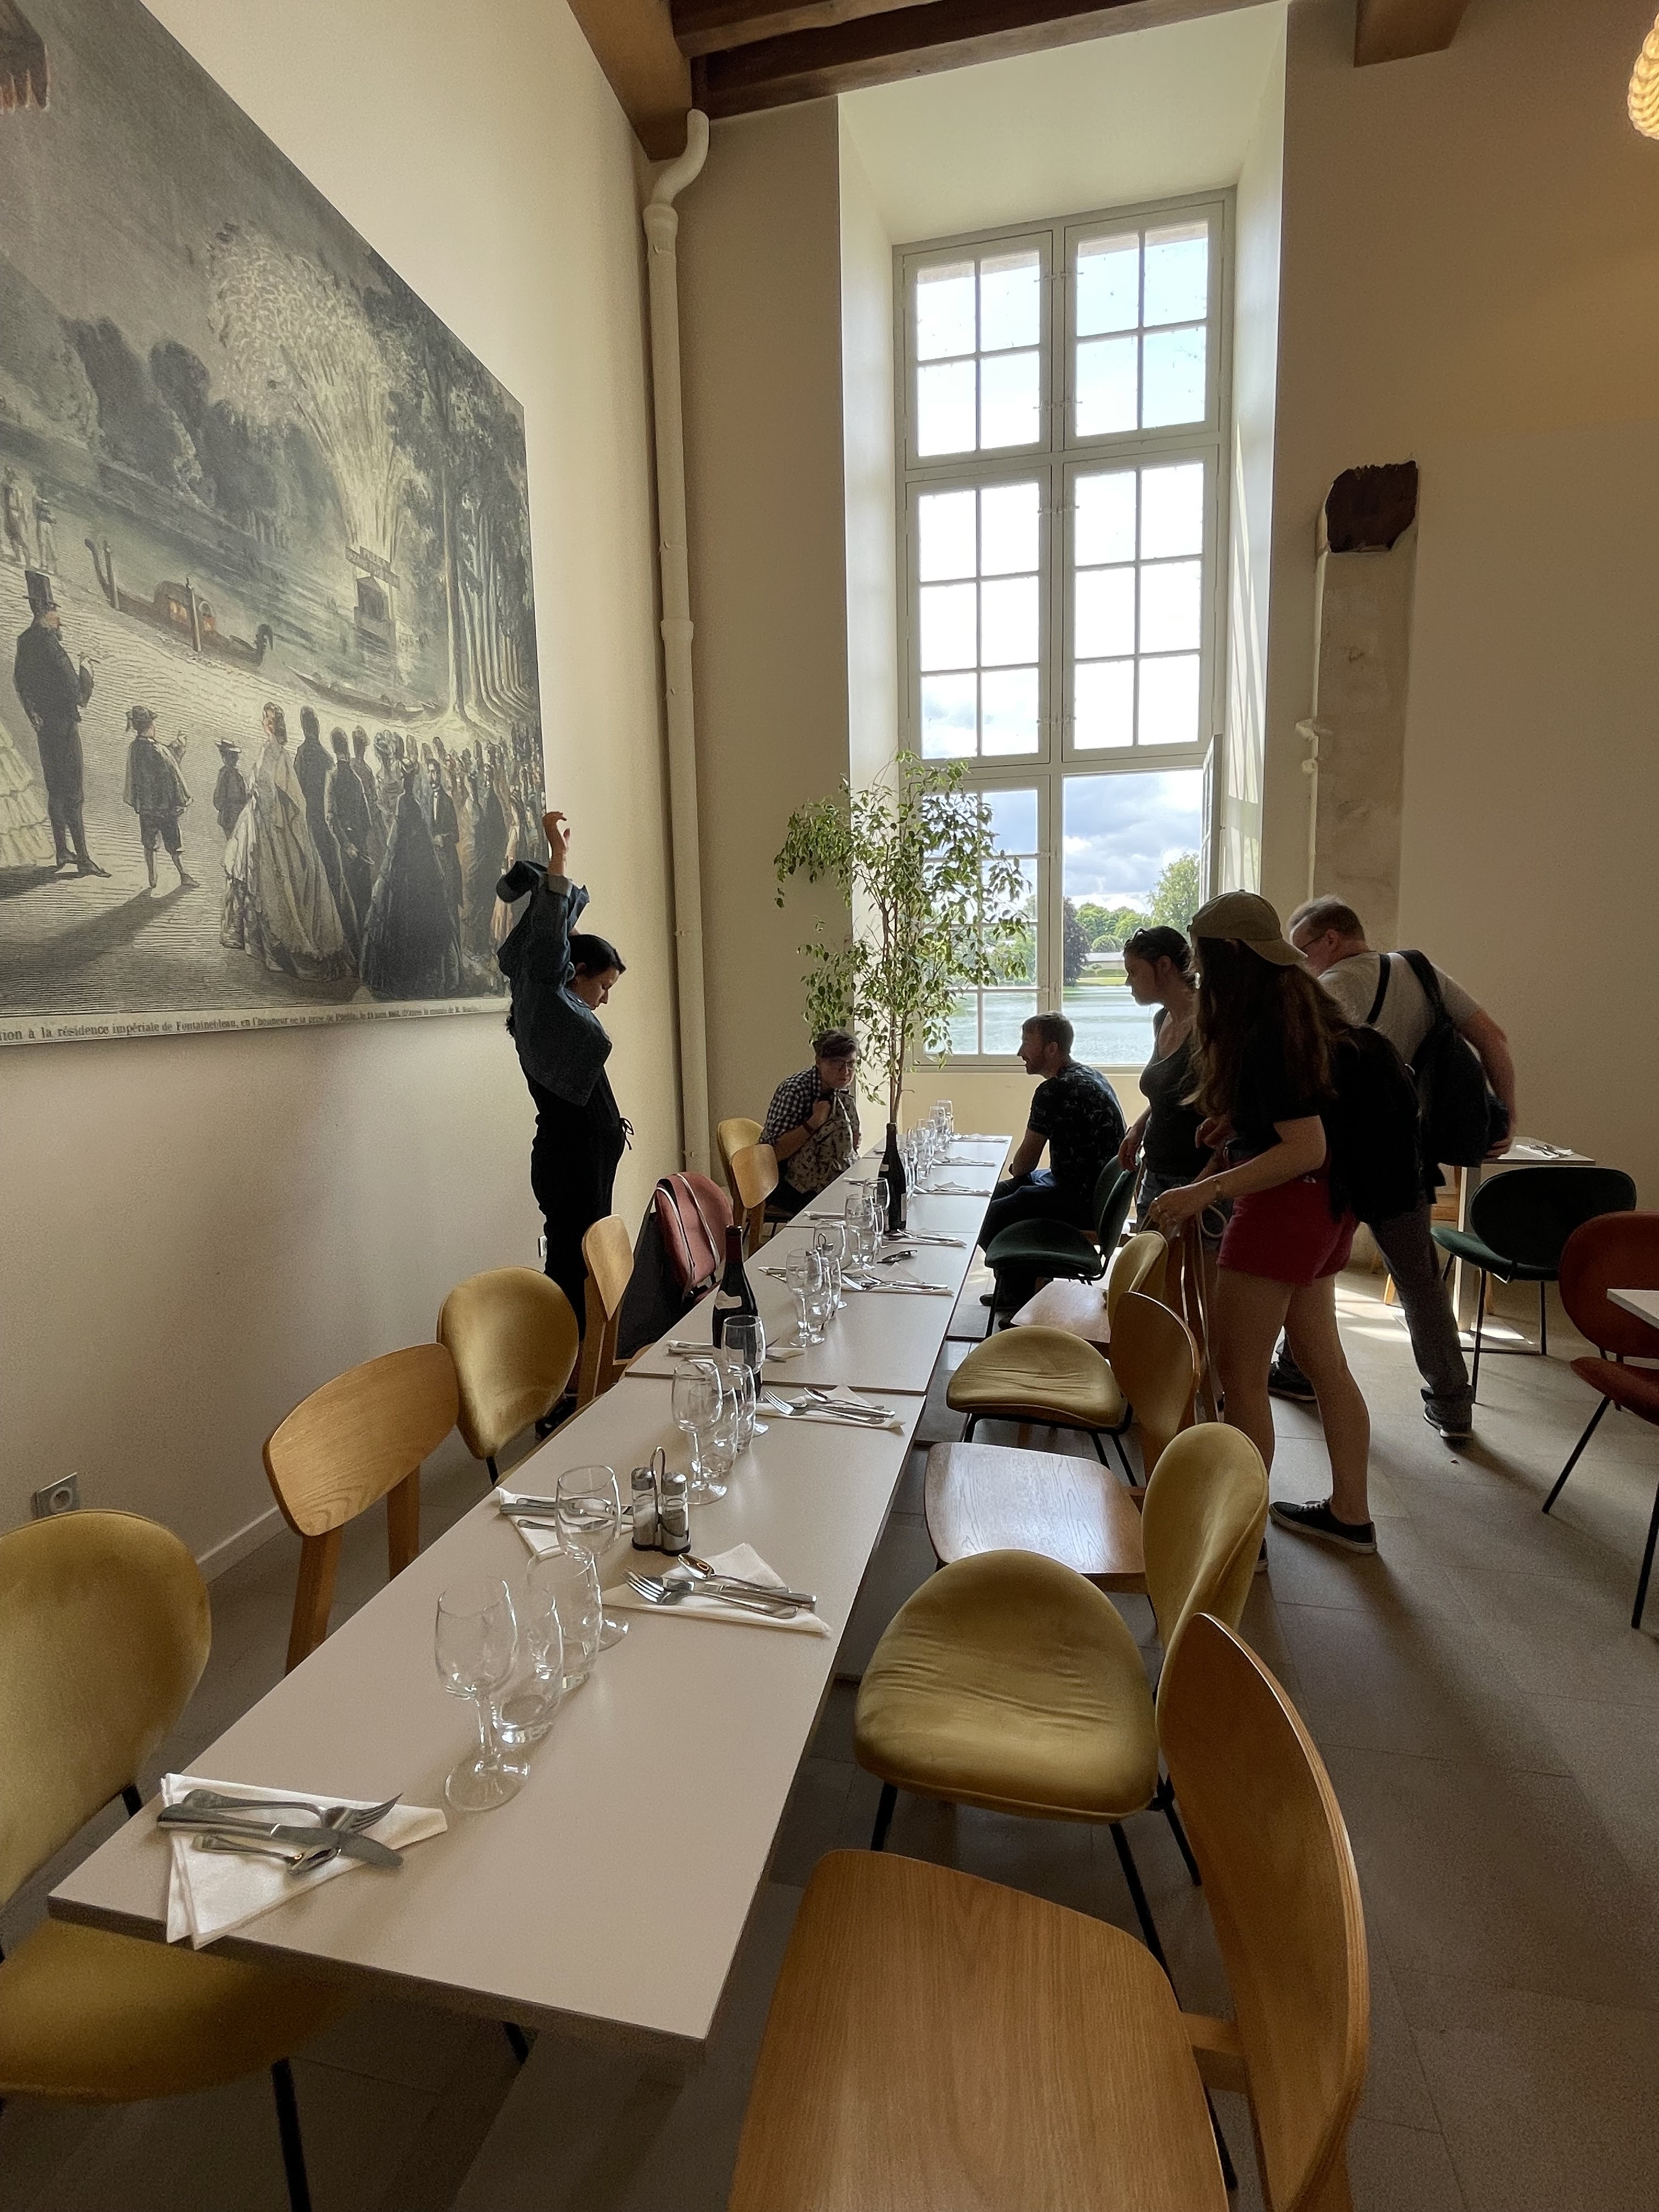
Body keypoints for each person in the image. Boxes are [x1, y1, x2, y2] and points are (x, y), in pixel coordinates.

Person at [1144, 893, 1376, 1556]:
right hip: (1328, 1207)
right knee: (1324, 1363)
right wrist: (1238, 1125)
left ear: (1230, 954)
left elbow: (1304, 1146)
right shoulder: (1297, 1004)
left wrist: (1204, 1190)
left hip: (1283, 1209)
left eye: (1204, 956)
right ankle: (1351, 1515)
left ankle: (1239, 1536)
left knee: (1238, 1375)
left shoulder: (1263, 1030)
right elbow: (1302, 1115)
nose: (1198, 971)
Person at [1280, 895, 1517, 1444]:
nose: (1303, 963)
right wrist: (1506, 1114)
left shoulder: (1332, 987)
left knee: (1309, 1269)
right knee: (1419, 1282)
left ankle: (1297, 1371)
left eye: (1303, 950)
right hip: (1401, 1154)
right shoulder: (1421, 971)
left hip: (1335, 1155)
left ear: (1330, 939)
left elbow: (1302, 1070)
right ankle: (1452, 1404)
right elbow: (1494, 1038)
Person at [496, 809, 630, 1330]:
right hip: (569, 1165)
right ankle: (570, 1367)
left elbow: (561, 934)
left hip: (584, 1162)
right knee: (574, 1271)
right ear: (577, 974)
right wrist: (559, 858)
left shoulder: (558, 1004)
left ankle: (588, 1360)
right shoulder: (543, 997)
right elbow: (552, 943)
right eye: (604, 987)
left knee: (589, 1269)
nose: (605, 1000)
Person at [978, 1013, 1126, 1309]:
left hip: (1082, 1200)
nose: (1020, 1052)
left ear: (1052, 1048)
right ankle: (1018, 1285)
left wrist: (1018, 1171)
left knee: (988, 1215)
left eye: (1026, 1043)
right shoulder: (1089, 1074)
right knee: (997, 1195)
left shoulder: (1054, 1091)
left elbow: (1024, 1165)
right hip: (1094, 1190)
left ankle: (1022, 1293)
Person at [221, 703, 350, 980]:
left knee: (271, 883)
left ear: (272, 724)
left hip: (270, 824)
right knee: (265, 883)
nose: (267, 723)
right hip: (266, 823)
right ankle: (262, 947)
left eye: (269, 720)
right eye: (267, 719)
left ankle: (268, 950)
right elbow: (281, 792)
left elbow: (275, 790)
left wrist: (266, 803)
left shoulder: (274, 751)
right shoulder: (278, 751)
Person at [1116, 925, 1224, 1248]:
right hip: (1157, 1172)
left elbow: (1227, 1112)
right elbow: (1171, 1092)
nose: (1128, 982)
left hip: (1197, 1178)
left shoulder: (1211, 1024)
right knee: (1149, 1270)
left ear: (1164, 966)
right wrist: (1138, 1127)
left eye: (1134, 971)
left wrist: (1201, 1187)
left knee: (1199, 1276)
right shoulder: (1161, 1019)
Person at [12, 569, 105, 876]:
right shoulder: (52, 647)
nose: (59, 619)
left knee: (55, 790)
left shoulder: (25, 641)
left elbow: (20, 683)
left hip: (44, 727)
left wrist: (33, 715)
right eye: (54, 611)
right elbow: (78, 695)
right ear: (44, 611)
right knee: (74, 795)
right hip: (63, 727)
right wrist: (86, 668)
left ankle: (63, 851)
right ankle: (84, 860)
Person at [358, 766, 462, 1000]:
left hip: (406, 867)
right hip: (414, 867)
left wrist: (394, 857)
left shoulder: (405, 803)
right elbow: (414, 837)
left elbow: (396, 839)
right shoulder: (413, 802)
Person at [760, 1031, 861, 1216]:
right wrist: (813, 1124)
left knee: (866, 1193)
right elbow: (771, 1154)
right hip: (782, 1184)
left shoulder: (839, 1091)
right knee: (850, 1206)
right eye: (837, 1063)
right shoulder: (795, 1090)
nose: (846, 1072)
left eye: (851, 1064)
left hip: (822, 1177)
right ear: (819, 1061)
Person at [293, 704, 353, 954]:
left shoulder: (302, 755)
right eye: (313, 725)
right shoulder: (325, 757)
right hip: (324, 823)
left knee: (317, 874)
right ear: (314, 727)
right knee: (331, 873)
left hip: (313, 821)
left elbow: (297, 790)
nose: (314, 729)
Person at [121, 706, 196, 891]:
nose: (155, 728)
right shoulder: (158, 749)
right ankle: (184, 875)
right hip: (165, 808)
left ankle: (152, 879)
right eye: (153, 725)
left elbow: (134, 778)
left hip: (147, 807)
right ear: (149, 727)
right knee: (174, 844)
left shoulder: (135, 748)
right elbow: (173, 775)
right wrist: (182, 801)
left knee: (150, 844)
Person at [325, 726, 376, 944]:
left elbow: (332, 817)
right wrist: (353, 844)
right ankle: (361, 946)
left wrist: (350, 845)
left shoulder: (336, 777)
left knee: (355, 899)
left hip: (352, 848)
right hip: (354, 847)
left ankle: (362, 946)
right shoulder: (351, 778)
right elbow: (364, 819)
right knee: (359, 898)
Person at [212, 739, 249, 839]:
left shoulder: (233, 774)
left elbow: (218, 798)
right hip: (230, 815)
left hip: (234, 814)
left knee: (234, 839)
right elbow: (219, 798)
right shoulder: (228, 774)